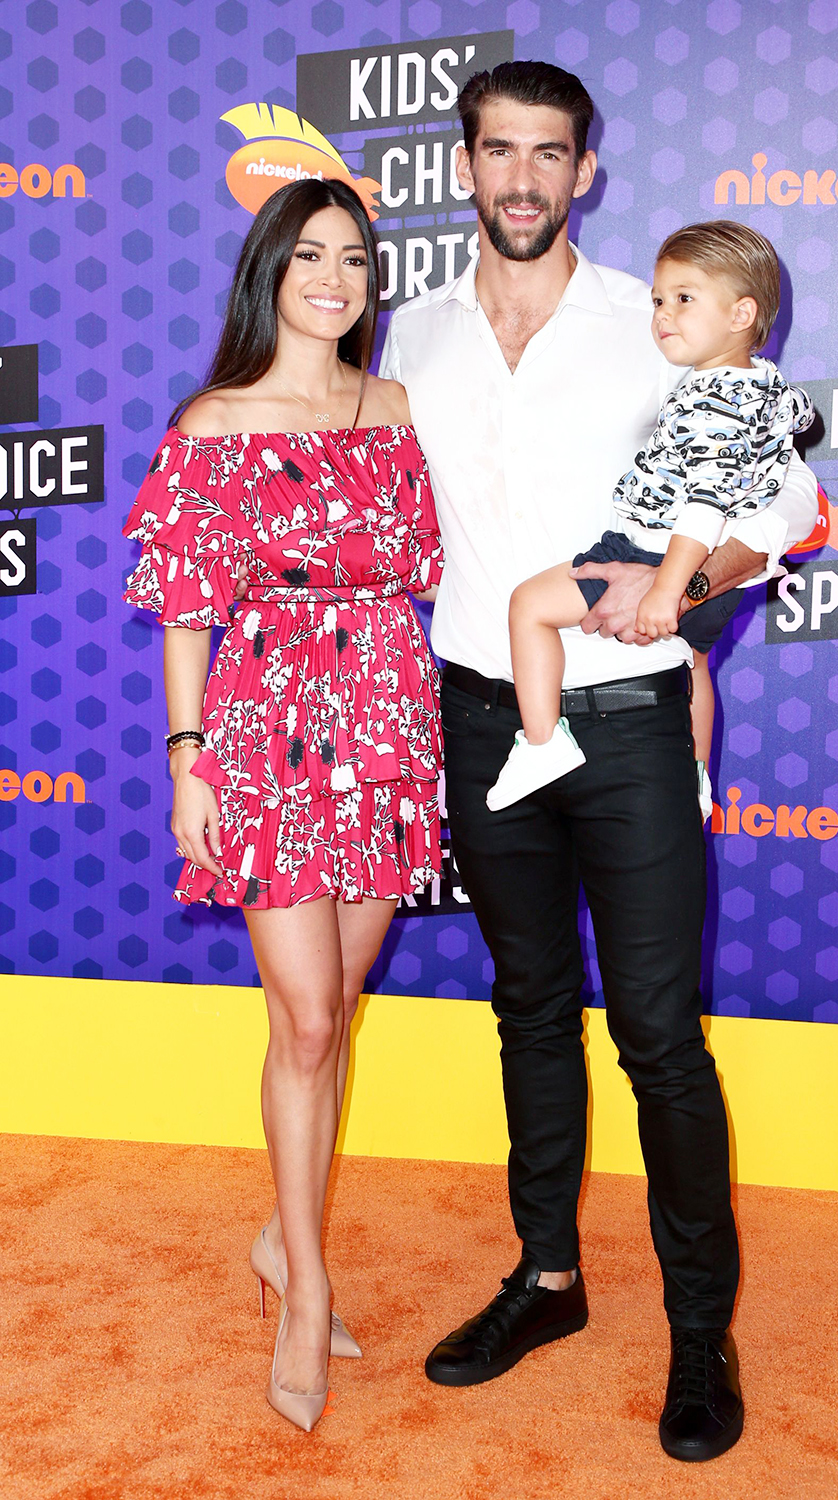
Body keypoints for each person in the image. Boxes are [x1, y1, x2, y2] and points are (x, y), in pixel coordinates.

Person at [380, 62, 818, 1464]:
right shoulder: (416, 331)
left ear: (585, 173)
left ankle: (702, 1334)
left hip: (625, 718)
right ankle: (548, 1280)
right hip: (475, 705)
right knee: (526, 1007)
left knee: (658, 1036)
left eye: (548, 153)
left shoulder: (657, 318)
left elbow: (790, 503)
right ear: (463, 165)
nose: (521, 177)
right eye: (497, 150)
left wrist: (682, 602)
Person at [122, 178, 443, 1433]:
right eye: (309, 254)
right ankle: (305, 1286)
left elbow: (434, 562)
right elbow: (189, 608)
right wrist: (187, 755)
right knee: (306, 1020)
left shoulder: (398, 407)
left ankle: (277, 1233)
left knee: (336, 1005)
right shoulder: (211, 421)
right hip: (260, 724)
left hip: (384, 714)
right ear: (270, 271)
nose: (334, 276)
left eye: (354, 259)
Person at [487, 220, 813, 811]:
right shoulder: (759, 386)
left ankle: (540, 745)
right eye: (660, 299)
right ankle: (694, 778)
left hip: (652, 553)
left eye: (684, 300)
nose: (662, 314)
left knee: (528, 607)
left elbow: (705, 504)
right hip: (691, 570)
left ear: (742, 315)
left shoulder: (712, 397)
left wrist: (667, 590)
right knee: (693, 663)